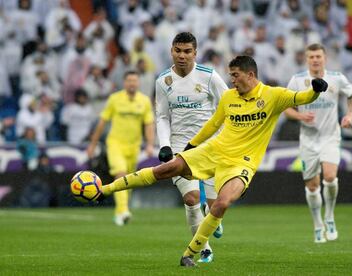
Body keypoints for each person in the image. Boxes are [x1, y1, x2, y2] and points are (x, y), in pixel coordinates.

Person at [96, 55, 327, 266]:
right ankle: (105, 190)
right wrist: (190, 147)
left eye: (235, 75)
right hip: (214, 151)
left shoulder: (274, 96)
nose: (232, 81)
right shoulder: (228, 97)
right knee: (165, 169)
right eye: (230, 76)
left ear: (250, 75)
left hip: (242, 164)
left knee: (222, 203)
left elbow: (302, 96)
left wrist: (316, 90)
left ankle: (189, 253)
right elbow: (213, 125)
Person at [155, 32, 229, 263]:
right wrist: (165, 145)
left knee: (217, 205)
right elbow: (162, 117)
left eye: (187, 51)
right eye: (178, 50)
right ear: (172, 51)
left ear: (195, 53)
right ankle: (204, 248)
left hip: (210, 147)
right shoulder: (163, 81)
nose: (182, 56)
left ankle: (211, 213)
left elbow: (230, 106)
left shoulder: (209, 77)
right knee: (191, 198)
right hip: (180, 148)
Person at [284, 43, 352, 243]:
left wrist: (350, 114)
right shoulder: (297, 80)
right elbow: (285, 107)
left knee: (331, 177)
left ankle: (330, 216)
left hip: (330, 136)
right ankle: (318, 224)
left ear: (325, 58)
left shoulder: (336, 78)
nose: (315, 59)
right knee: (313, 187)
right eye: (311, 57)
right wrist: (300, 117)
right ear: (306, 59)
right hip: (308, 140)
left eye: (318, 56)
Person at [87, 70, 155, 226]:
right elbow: (102, 122)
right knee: (120, 173)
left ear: (138, 83)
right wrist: (92, 144)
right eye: (129, 80)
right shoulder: (115, 99)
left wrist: (150, 144)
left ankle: (120, 212)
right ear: (124, 83)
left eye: (134, 80)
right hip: (115, 144)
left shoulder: (144, 101)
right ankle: (123, 210)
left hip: (134, 146)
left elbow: (149, 124)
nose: (132, 83)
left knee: (128, 180)